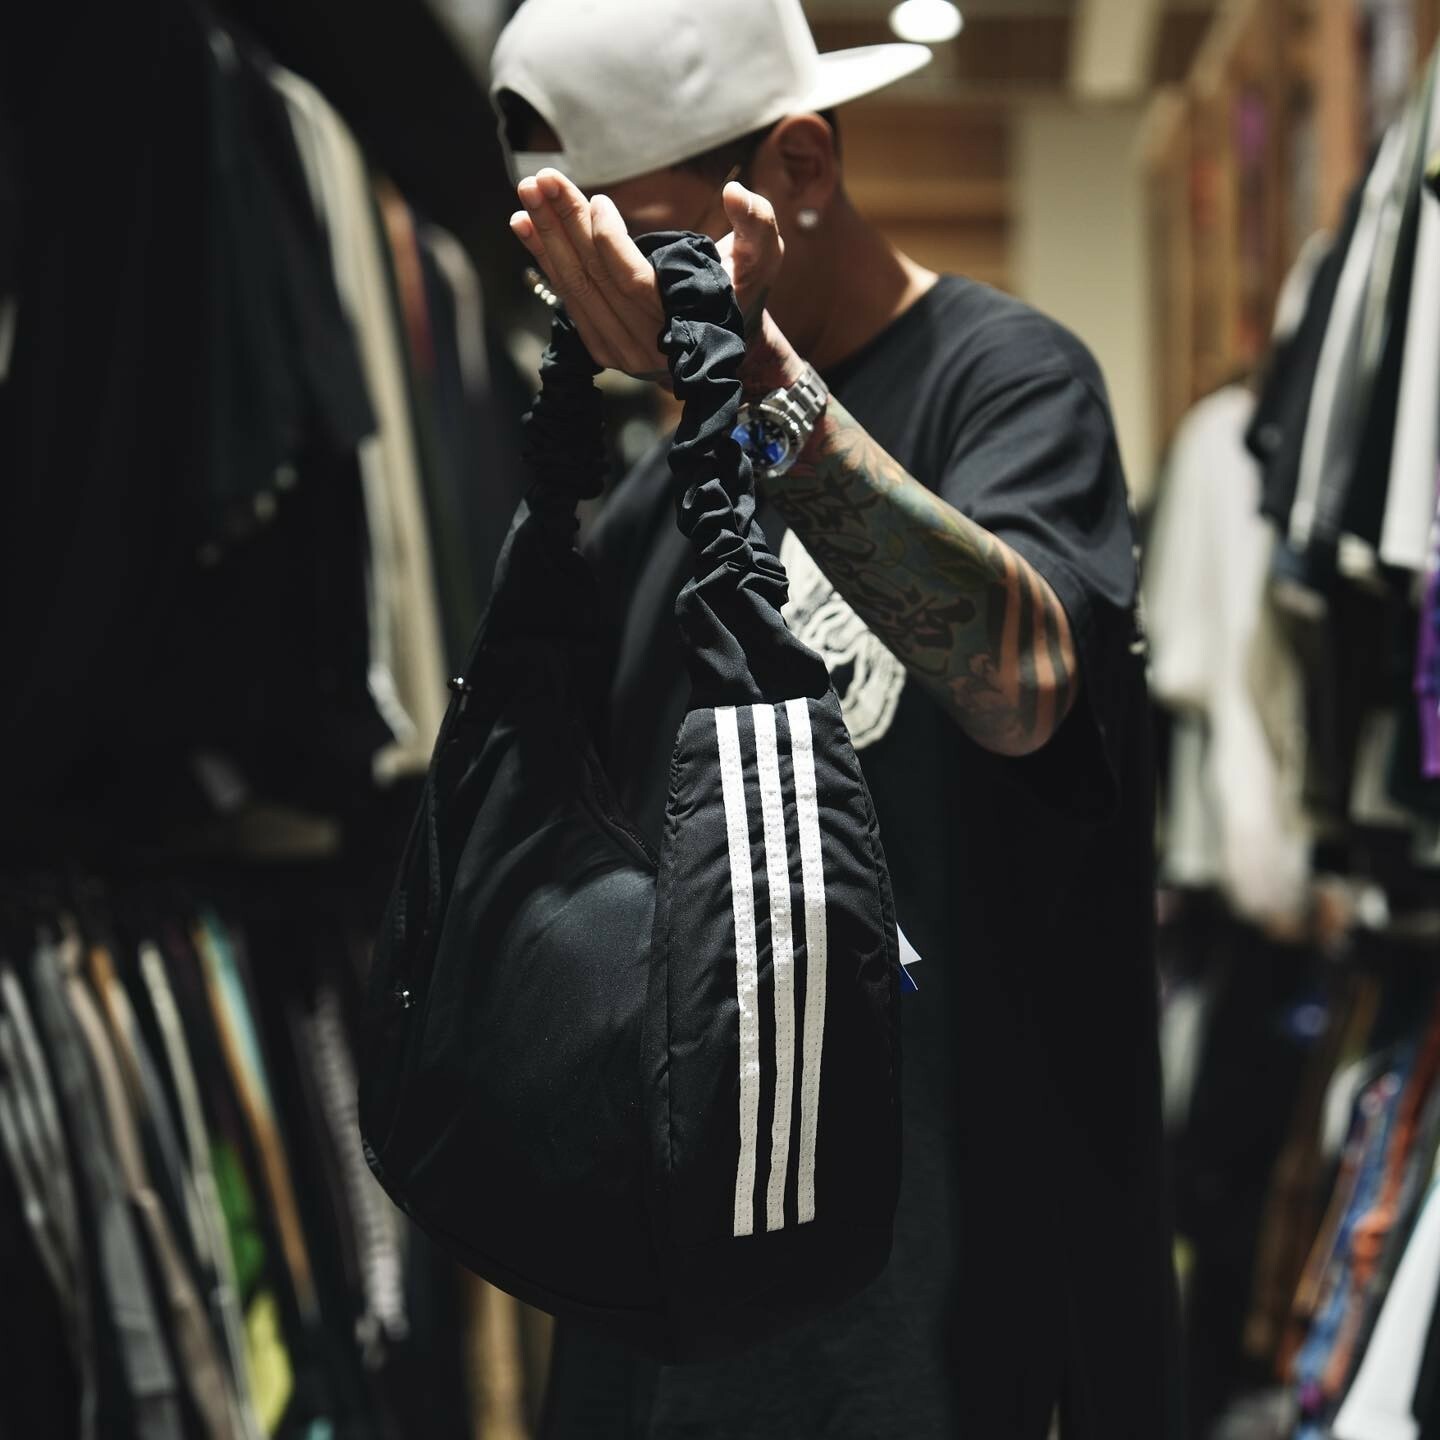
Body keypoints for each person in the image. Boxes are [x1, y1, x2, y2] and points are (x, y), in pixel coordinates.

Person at [489, 1, 1182, 1435]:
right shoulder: (652, 496)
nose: (599, 292)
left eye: (630, 241)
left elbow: (1025, 688)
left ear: (799, 167)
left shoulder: (1008, 380)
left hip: (952, 1305)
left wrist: (752, 377)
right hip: (679, 1320)